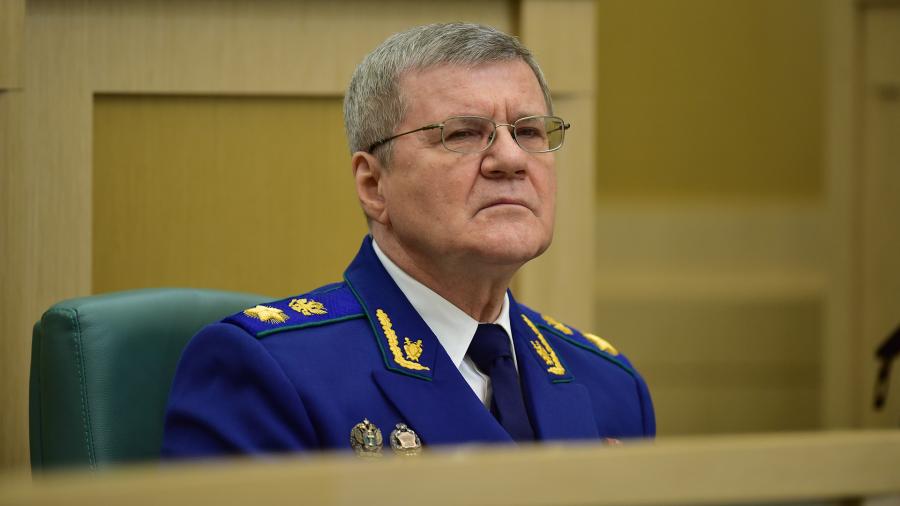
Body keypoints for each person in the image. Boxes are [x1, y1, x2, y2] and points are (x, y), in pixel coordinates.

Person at [162, 22, 654, 458]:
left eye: (528, 132)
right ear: (374, 185)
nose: (511, 159)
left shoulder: (611, 385)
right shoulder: (269, 372)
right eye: (463, 134)